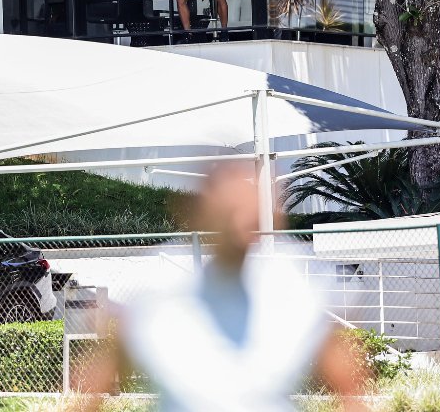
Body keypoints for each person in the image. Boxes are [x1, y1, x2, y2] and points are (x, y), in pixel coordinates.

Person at [74, 162, 368, 411]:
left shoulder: (295, 291)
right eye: (231, 210)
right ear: (195, 214)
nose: (241, 221)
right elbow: (104, 374)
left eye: (250, 211)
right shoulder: (160, 293)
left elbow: (345, 381)